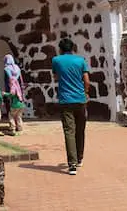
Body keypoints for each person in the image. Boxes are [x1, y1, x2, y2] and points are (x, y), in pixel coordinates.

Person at [51, 37, 90, 176]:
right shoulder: (81, 61)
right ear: (73, 48)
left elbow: (56, 77)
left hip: (65, 100)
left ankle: (72, 164)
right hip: (80, 99)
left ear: (60, 49)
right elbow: (86, 80)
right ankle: (79, 158)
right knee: (80, 130)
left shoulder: (56, 60)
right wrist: (85, 93)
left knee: (69, 131)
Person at [4, 54, 27, 135]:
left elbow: (9, 79)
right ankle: (19, 127)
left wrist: (6, 92)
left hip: (11, 90)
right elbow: (18, 79)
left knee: (11, 112)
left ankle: (12, 127)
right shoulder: (17, 68)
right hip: (19, 90)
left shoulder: (6, 68)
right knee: (19, 115)